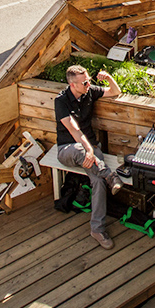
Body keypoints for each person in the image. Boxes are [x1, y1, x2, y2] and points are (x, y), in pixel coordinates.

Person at [55, 65, 124, 250]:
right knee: (80, 149)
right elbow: (74, 130)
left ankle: (97, 229)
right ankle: (110, 175)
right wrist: (88, 150)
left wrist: (108, 78)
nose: (88, 84)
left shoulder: (89, 92)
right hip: (68, 149)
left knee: (98, 183)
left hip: (91, 150)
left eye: (89, 80)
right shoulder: (61, 101)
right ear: (72, 84)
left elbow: (115, 92)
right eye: (84, 82)